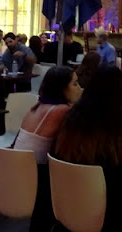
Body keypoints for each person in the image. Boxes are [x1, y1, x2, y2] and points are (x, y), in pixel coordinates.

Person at [55, 65, 122, 232]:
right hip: (110, 215)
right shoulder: (118, 124)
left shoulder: (71, 118)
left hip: (69, 207)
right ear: (119, 93)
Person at [14, 66, 83, 231]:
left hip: (17, 171)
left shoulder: (38, 106)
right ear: (62, 88)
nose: (80, 88)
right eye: (75, 84)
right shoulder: (63, 110)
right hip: (35, 176)